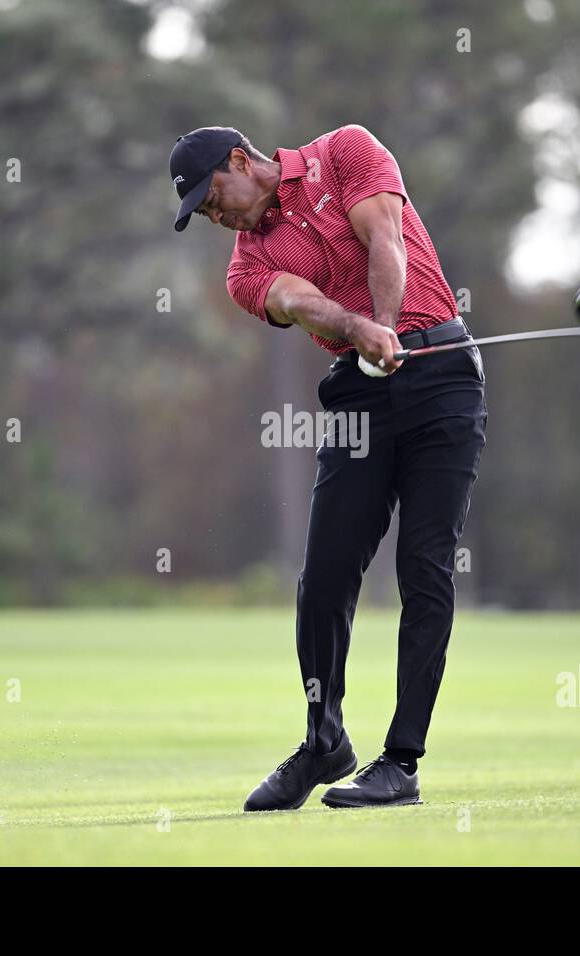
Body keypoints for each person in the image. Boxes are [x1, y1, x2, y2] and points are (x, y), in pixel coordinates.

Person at [169, 125, 486, 809]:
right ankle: (324, 739)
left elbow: (386, 241)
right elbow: (297, 300)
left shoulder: (344, 152)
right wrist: (357, 331)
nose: (214, 215)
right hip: (357, 392)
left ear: (238, 160)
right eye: (202, 213)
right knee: (324, 576)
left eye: (213, 197)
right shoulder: (243, 268)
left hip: (442, 377)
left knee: (425, 568)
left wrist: (387, 324)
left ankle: (401, 763)